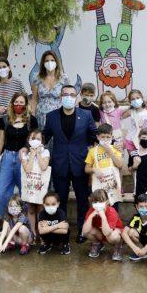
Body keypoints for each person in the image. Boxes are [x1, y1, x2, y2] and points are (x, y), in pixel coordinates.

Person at [43, 85, 97, 243]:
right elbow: (45, 136)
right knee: (61, 200)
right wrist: (32, 145)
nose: (68, 97)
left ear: (77, 97)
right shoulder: (51, 116)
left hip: (80, 163)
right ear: (61, 96)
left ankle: (82, 230)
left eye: (72, 94)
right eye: (65, 94)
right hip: (60, 163)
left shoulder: (86, 115)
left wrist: (111, 143)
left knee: (82, 199)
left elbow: (94, 134)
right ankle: (61, 231)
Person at [0, 93, 39, 218]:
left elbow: (35, 139)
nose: (19, 105)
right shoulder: (5, 119)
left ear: (26, 104)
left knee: (25, 191)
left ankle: (23, 221)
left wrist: (26, 148)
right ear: (12, 103)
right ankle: (6, 221)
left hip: (24, 159)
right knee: (2, 192)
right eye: (16, 102)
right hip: (7, 157)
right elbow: (1, 140)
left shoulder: (31, 120)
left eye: (21, 102)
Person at [85, 123, 124, 209]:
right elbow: (86, 169)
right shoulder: (92, 151)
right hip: (99, 184)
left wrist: (110, 151)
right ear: (98, 137)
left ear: (112, 137)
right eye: (102, 137)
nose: (105, 139)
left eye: (108, 137)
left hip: (112, 184)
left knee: (113, 208)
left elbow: (120, 165)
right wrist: (94, 170)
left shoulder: (115, 149)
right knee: (99, 207)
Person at [0, 57, 26, 143]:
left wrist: (13, 108)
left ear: (9, 67)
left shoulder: (17, 82)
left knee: (14, 146)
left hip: (16, 119)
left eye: (4, 66)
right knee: (1, 146)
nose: (2, 69)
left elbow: (25, 100)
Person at [21, 129, 51, 236]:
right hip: (29, 186)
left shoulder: (46, 152)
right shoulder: (25, 153)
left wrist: (38, 153)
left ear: (42, 141)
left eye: (38, 139)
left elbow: (43, 167)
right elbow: (27, 170)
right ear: (29, 140)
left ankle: (42, 232)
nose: (35, 141)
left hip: (40, 185)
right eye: (33, 138)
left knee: (40, 208)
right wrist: (32, 154)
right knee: (31, 208)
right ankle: (33, 232)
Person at [32, 50, 71, 128]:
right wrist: (32, 114)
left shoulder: (64, 78)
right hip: (41, 116)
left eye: (52, 60)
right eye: (47, 60)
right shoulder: (37, 78)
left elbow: (68, 97)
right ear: (43, 63)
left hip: (58, 116)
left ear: (56, 62)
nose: (49, 62)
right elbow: (35, 99)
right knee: (43, 138)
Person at [82, 189, 124, 260]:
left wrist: (103, 217)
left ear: (107, 201)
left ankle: (118, 247)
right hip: (100, 233)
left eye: (101, 201)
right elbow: (84, 231)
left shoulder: (111, 211)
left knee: (113, 236)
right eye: (95, 202)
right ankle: (97, 244)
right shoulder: (91, 210)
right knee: (88, 230)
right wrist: (91, 216)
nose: (98, 204)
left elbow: (107, 232)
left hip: (111, 233)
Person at [122, 89, 147, 154]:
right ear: (130, 101)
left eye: (137, 98)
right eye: (133, 99)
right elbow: (119, 117)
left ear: (142, 98)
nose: (135, 100)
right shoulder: (130, 111)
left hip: (143, 139)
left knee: (143, 159)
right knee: (133, 160)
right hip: (130, 140)